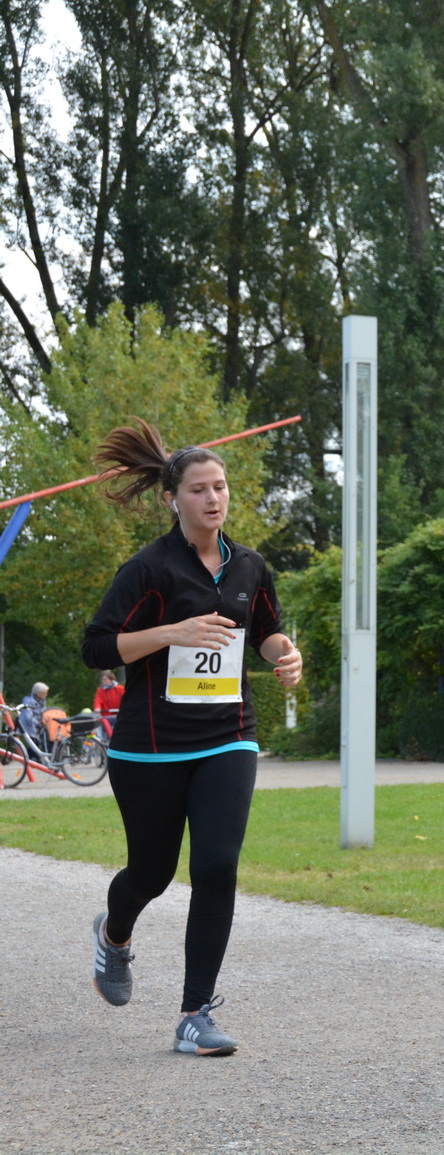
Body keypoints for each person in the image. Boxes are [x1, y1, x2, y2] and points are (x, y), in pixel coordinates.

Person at [81, 418, 303, 1057]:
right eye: (200, 489)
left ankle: (194, 1014)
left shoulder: (249, 566)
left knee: (215, 865)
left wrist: (286, 654)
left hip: (227, 736)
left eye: (221, 487)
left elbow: (265, 631)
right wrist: (169, 634)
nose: (214, 499)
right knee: (151, 873)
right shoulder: (148, 570)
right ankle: (115, 933)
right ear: (173, 498)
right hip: (149, 745)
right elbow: (95, 645)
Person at [93, 670, 125, 738]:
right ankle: (105, 739)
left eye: (105, 679)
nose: (103, 681)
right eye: (102, 680)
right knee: (101, 723)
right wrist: (97, 708)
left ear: (111, 679)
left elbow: (125, 699)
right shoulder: (101, 691)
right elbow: (98, 700)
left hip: (120, 714)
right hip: (107, 716)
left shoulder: (120, 689)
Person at [18, 682, 50, 748]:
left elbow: (45, 712)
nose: (46, 694)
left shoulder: (42, 701)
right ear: (37, 693)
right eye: (44, 693)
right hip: (28, 727)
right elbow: (28, 717)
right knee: (33, 746)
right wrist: (39, 723)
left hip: (38, 727)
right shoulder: (28, 700)